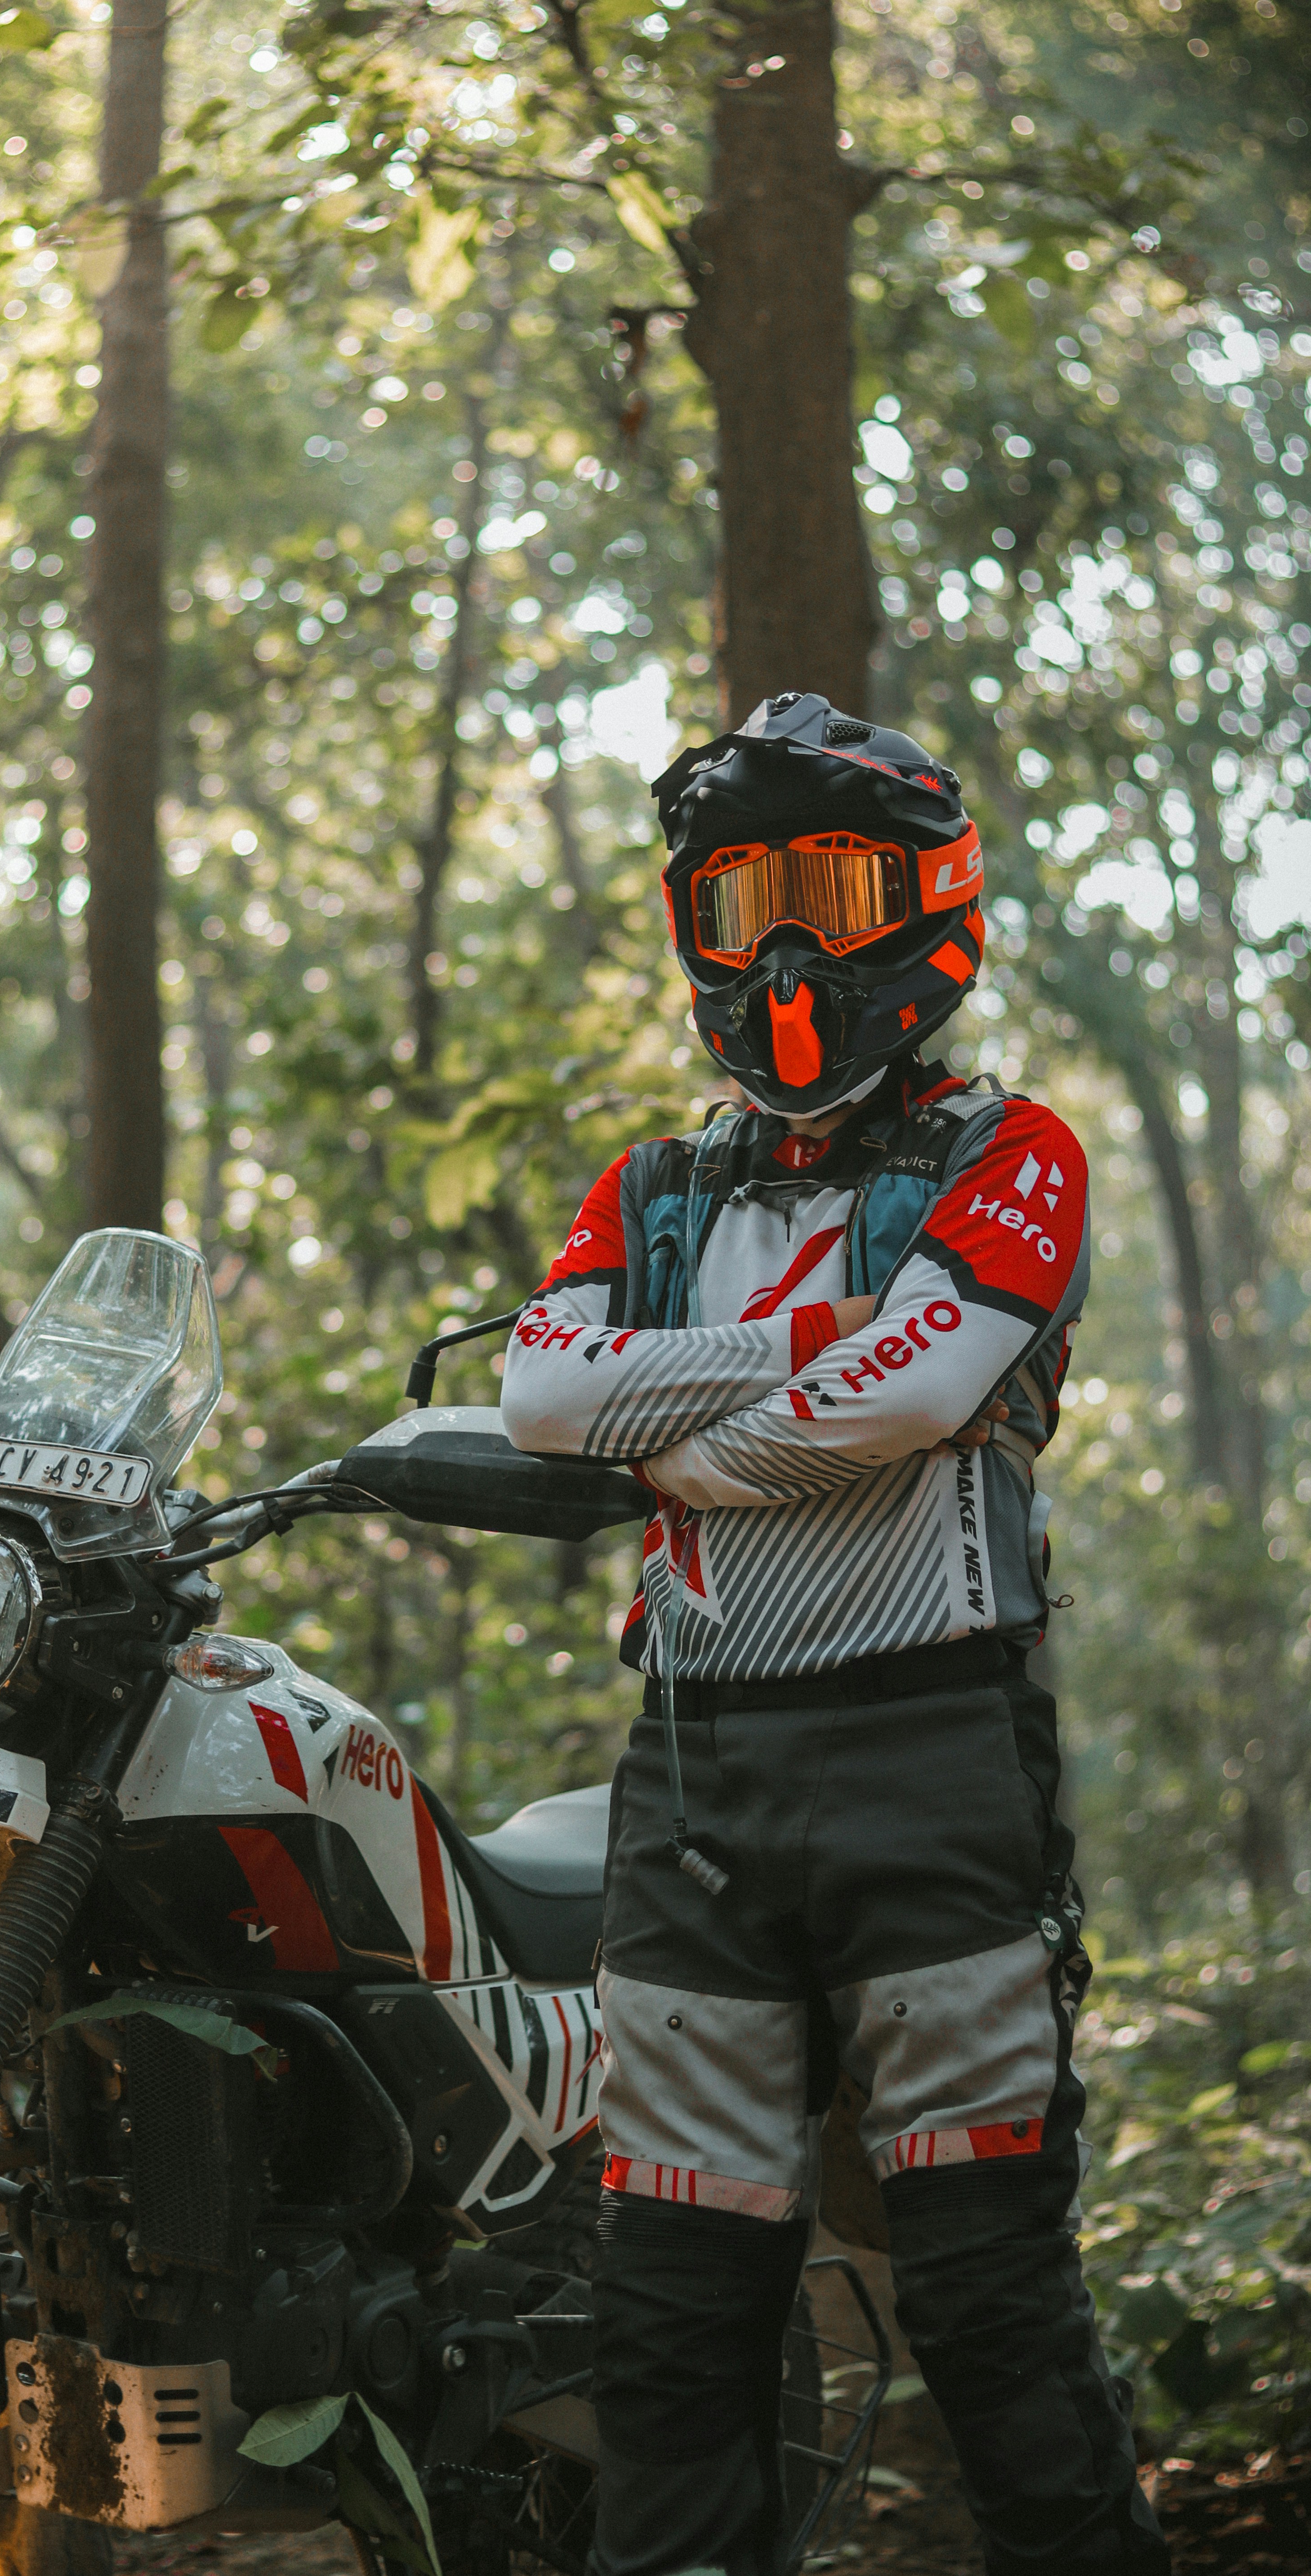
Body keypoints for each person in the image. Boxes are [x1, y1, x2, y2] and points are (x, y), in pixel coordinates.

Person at [500, 691, 1168, 2576]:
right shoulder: (646, 1186)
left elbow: (925, 1382)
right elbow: (549, 1403)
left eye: (836, 887)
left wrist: (680, 1434)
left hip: (932, 1766)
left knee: (985, 2304)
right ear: (694, 930)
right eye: (742, 901)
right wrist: (792, 1365)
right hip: (698, 1782)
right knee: (674, 2320)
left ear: (926, 905)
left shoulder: (1014, 1148)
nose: (787, 945)